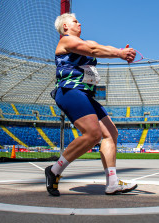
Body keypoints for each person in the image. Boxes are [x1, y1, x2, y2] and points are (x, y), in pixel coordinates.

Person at [45, 13, 137, 196]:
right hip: (69, 90)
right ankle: (54, 170)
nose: (80, 23)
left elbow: (98, 47)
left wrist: (118, 50)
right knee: (93, 134)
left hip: (85, 94)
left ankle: (112, 183)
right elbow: (93, 50)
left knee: (111, 133)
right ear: (65, 27)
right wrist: (119, 54)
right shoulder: (66, 41)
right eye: (75, 21)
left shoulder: (85, 43)